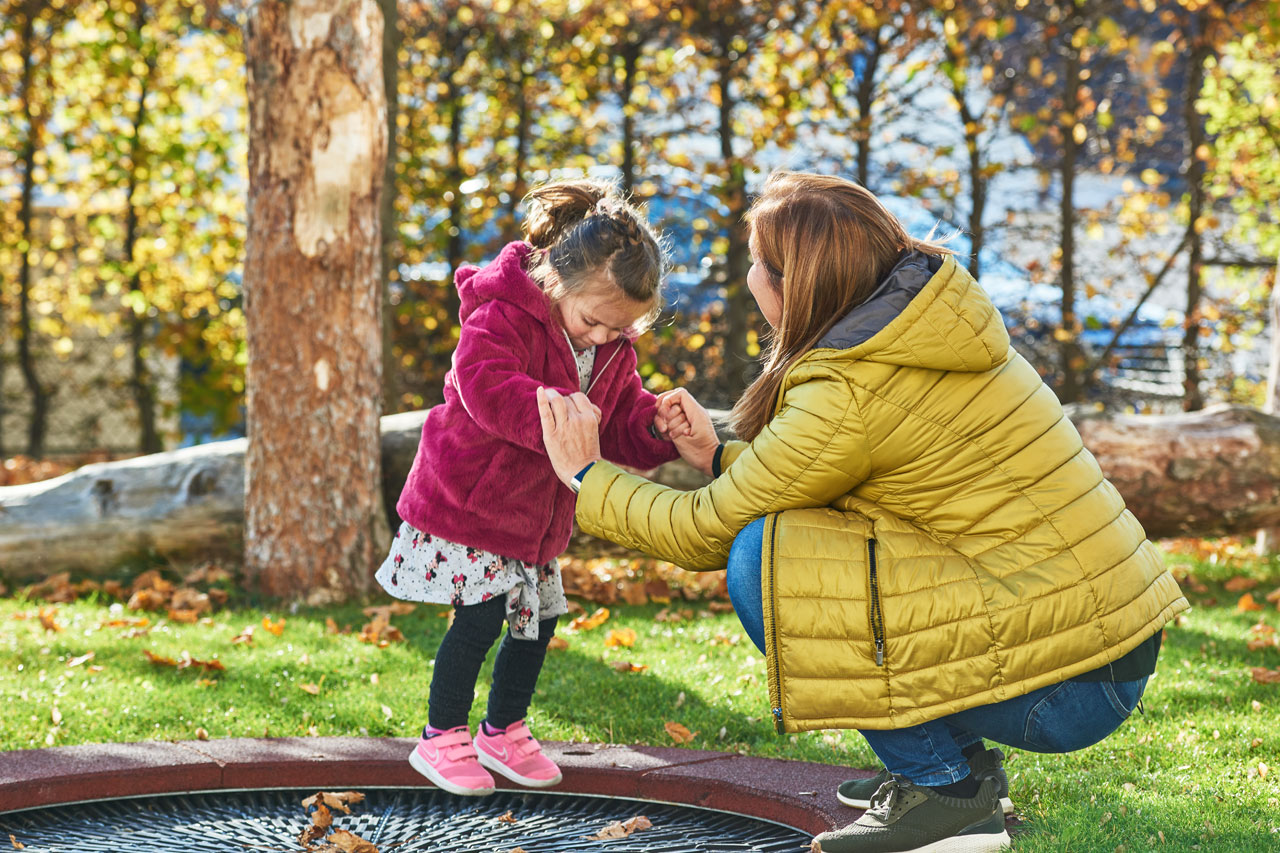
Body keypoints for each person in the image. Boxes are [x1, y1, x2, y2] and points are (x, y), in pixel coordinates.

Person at [537, 170, 1189, 853]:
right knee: (810, 540)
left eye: (758, 263)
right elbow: (825, 480)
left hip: (1068, 686)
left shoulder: (851, 384)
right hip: (1101, 650)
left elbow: (708, 530)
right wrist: (715, 457)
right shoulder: (915, 325)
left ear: (794, 283)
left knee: (762, 559)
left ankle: (946, 789)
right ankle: (956, 765)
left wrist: (585, 471)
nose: (751, 275)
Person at [377, 179, 685, 797]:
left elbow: (615, 423)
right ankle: (441, 736)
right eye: (593, 321)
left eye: (619, 330)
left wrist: (653, 425)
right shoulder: (501, 315)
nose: (602, 337)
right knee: (482, 617)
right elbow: (483, 385)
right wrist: (554, 408)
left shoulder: (611, 350)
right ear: (555, 280)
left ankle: (503, 730)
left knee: (537, 623)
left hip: (536, 520)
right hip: (471, 501)